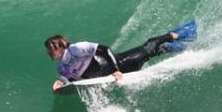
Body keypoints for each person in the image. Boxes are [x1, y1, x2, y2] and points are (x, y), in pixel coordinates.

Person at [45, 21, 197, 91]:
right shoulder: (62, 67)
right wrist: (61, 82)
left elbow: (104, 50)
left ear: (61, 45)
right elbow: (72, 78)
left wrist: (116, 69)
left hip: (122, 63)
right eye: (48, 49)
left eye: (51, 47)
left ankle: (178, 34)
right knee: (150, 54)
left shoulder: (76, 49)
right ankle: (169, 48)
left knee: (148, 46)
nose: (49, 51)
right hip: (118, 74)